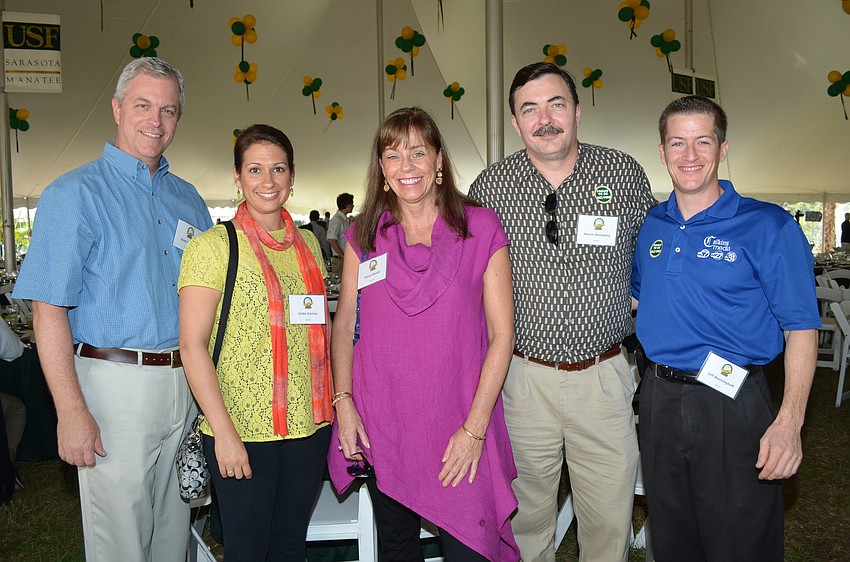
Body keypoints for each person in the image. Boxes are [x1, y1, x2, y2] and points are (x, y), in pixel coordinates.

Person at [12, 57, 212, 561]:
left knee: (174, 537)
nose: (155, 121)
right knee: (120, 541)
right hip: (114, 386)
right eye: (143, 105)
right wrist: (71, 411)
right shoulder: (75, 194)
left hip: (187, 383)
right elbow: (47, 311)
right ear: (118, 109)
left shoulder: (189, 199)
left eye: (168, 110)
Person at [468, 62, 656, 562]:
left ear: (576, 110)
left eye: (556, 104)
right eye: (530, 109)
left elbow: (655, 253)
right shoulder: (490, 188)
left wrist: (638, 300)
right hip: (521, 380)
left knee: (609, 518)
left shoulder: (622, 174)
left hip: (604, 377)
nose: (545, 119)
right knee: (524, 518)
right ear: (515, 122)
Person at [631, 95, 819, 561]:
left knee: (739, 541)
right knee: (672, 537)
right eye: (678, 142)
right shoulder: (652, 224)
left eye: (703, 141)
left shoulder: (768, 225)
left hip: (731, 401)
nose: (690, 155)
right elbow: (639, 296)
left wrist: (790, 421)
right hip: (658, 399)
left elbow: (801, 326)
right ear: (662, 152)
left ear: (723, 148)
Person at [328, 107, 519, 561]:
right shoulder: (363, 235)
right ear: (381, 168)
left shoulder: (480, 228)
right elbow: (345, 323)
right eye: (393, 155)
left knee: (471, 546)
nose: (406, 166)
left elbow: (502, 336)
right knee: (397, 547)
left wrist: (474, 431)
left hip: (458, 421)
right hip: (384, 423)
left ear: (438, 160)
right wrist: (344, 401)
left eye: (418, 152)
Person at [179, 124, 333, 562]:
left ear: (292, 176)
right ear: (237, 176)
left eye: (278, 169)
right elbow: (192, 346)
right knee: (247, 550)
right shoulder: (212, 247)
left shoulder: (309, 244)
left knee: (289, 545)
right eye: (255, 169)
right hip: (241, 429)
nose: (268, 181)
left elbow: (317, 330)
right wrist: (224, 433)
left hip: (309, 428)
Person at [327, 192, 354, 275]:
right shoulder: (337, 220)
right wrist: (343, 256)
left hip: (344, 258)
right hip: (339, 259)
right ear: (348, 205)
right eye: (352, 204)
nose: (353, 206)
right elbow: (331, 239)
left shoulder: (344, 220)